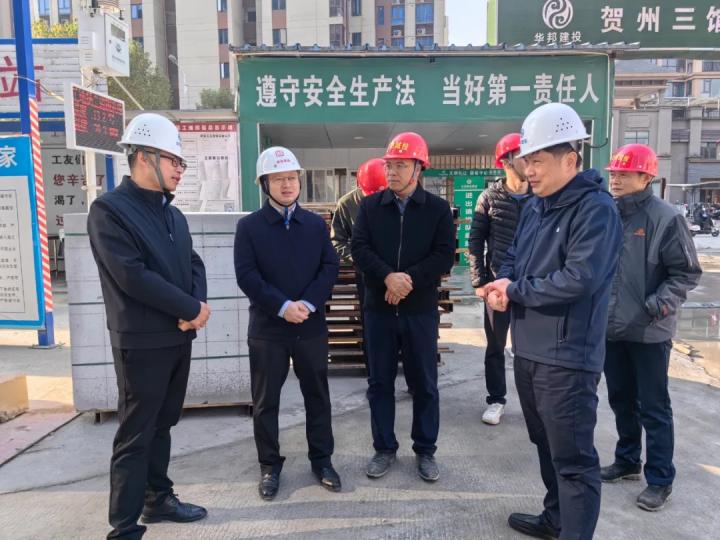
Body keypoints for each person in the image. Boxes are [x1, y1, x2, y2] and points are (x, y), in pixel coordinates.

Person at [484, 103, 623, 539]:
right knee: (545, 443)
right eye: (526, 160)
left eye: (538, 160)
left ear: (570, 159)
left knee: (574, 461)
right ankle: (555, 519)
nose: (529, 170)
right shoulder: (536, 206)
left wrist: (516, 291)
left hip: (567, 357)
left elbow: (579, 278)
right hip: (529, 349)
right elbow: (513, 256)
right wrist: (502, 281)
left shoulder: (595, 210)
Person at [87, 113, 210, 540]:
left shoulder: (172, 215)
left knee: (163, 423)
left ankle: (158, 499)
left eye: (181, 162)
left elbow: (193, 261)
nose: (180, 169)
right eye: (173, 160)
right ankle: (123, 527)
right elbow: (132, 275)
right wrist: (187, 306)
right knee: (136, 432)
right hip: (141, 342)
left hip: (179, 335)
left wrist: (196, 306)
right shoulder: (109, 211)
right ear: (143, 157)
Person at [233, 146, 340, 501]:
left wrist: (307, 303)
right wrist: (281, 307)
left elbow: (329, 266)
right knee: (266, 401)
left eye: (292, 177)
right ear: (264, 184)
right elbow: (246, 274)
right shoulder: (249, 227)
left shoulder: (315, 224)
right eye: (278, 179)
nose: (287, 184)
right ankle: (269, 466)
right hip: (268, 329)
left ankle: (322, 461)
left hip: (310, 325)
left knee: (318, 396)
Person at [351, 132, 455, 483]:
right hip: (378, 311)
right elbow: (360, 249)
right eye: (389, 165)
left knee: (424, 383)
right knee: (379, 383)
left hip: (419, 311)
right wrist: (387, 278)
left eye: (400, 165)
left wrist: (407, 280)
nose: (391, 172)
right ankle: (384, 448)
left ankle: (425, 450)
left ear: (418, 168)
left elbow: (444, 255)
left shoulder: (437, 210)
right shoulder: (370, 207)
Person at [602, 144, 701, 511]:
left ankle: (660, 479)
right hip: (611, 328)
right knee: (620, 399)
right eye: (613, 173)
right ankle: (628, 460)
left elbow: (686, 272)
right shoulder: (607, 214)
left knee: (654, 407)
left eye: (624, 173)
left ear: (646, 177)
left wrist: (657, 304)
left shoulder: (666, 218)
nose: (615, 179)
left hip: (649, 330)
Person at [468, 133, 531, 425]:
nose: (529, 160)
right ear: (506, 161)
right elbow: (475, 242)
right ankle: (496, 399)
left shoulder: (541, 197)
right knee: (495, 346)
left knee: (530, 350)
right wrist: (480, 282)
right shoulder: (489, 198)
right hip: (497, 286)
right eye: (523, 155)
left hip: (532, 286)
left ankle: (534, 403)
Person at [331, 157, 387, 371]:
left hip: (396, 270)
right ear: (359, 185)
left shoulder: (396, 198)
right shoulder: (347, 204)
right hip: (367, 274)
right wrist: (359, 259)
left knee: (401, 323)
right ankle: (373, 372)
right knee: (371, 322)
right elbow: (337, 240)